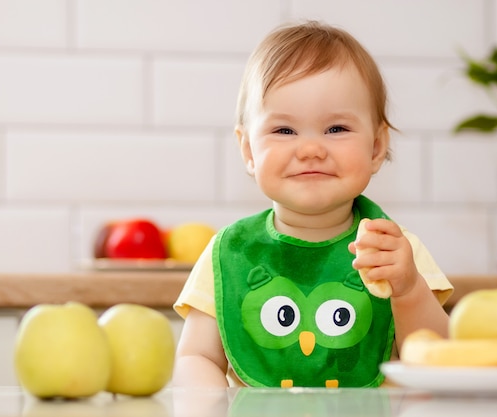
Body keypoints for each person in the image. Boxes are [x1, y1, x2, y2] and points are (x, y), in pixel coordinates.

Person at [172, 20, 453, 389]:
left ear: (376, 147)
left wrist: (410, 289)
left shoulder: (397, 253)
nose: (310, 149)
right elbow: (197, 357)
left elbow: (438, 358)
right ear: (248, 150)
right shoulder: (230, 254)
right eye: (284, 130)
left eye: (336, 129)